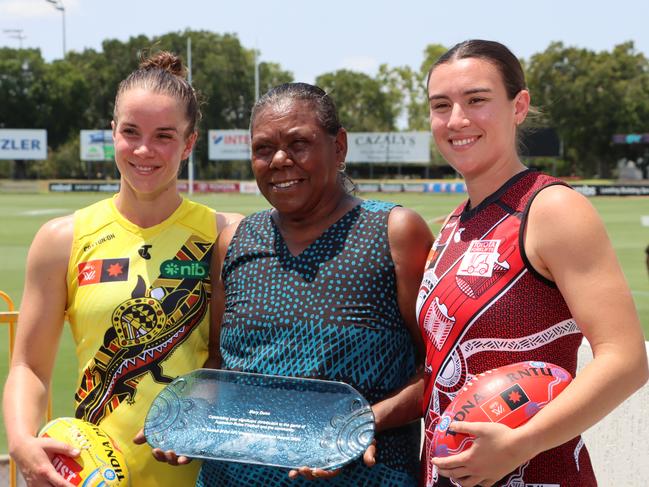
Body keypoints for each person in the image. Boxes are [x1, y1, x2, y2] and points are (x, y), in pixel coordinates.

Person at [174, 82, 432, 486]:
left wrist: (364, 422)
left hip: (364, 477)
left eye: (299, 143)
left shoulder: (394, 232)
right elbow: (218, 366)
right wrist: (188, 422)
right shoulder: (236, 240)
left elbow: (438, 369)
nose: (279, 160)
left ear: (339, 147)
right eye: (263, 149)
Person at [3, 51, 242, 486]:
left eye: (164, 136)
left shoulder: (227, 235)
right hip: (92, 476)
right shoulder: (61, 240)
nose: (144, 150)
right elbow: (29, 368)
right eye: (130, 132)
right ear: (112, 132)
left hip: (209, 478)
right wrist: (21, 440)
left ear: (190, 142)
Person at [417, 39, 649, 487]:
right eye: (441, 105)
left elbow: (625, 361)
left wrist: (521, 443)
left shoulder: (552, 209)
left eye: (477, 100)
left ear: (518, 106)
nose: (457, 119)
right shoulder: (452, 225)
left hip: (541, 473)